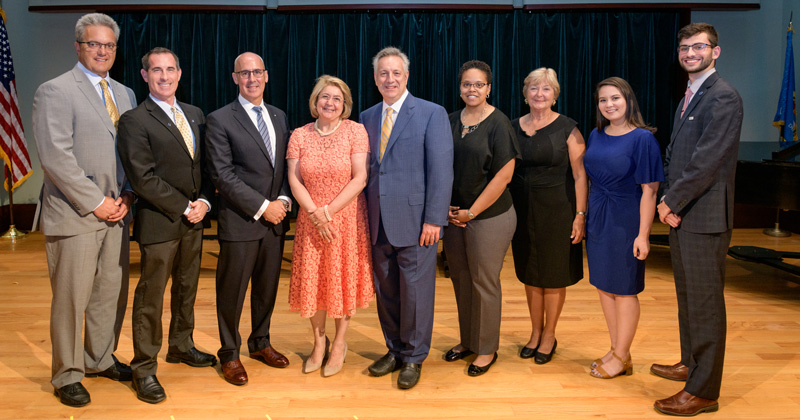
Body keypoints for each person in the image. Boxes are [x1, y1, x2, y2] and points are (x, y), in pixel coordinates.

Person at [31, 12, 136, 407]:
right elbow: (55, 158)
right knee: (71, 299)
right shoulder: (55, 91)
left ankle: (99, 358)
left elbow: (130, 153)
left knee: (108, 293)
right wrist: (97, 202)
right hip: (75, 214)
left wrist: (126, 195)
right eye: (94, 44)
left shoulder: (124, 93)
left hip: (117, 213)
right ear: (78, 47)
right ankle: (67, 374)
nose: (102, 51)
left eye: (109, 45)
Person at [652, 23, 742, 416]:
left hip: (702, 214)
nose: (690, 53)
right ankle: (691, 363)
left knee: (705, 303)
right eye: (685, 47)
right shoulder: (692, 93)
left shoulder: (723, 97)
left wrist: (671, 200)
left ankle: (703, 391)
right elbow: (681, 152)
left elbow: (707, 161)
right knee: (688, 298)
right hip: (683, 214)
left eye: (699, 47)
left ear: (715, 52)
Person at [117, 47, 216, 404]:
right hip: (160, 221)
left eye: (170, 69)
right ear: (144, 75)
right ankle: (144, 367)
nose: (164, 76)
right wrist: (184, 206)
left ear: (179, 73)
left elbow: (205, 166)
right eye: (156, 70)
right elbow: (142, 178)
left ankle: (181, 345)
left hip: (194, 219)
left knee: (187, 288)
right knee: (151, 297)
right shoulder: (134, 119)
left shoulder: (194, 114)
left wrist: (204, 201)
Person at [359, 46, 453, 389]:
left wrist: (434, 219)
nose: (390, 79)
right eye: (383, 73)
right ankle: (394, 349)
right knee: (386, 292)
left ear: (407, 76)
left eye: (396, 72)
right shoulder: (367, 117)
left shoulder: (431, 113)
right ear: (375, 78)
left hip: (417, 224)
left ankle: (414, 356)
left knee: (415, 293)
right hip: (377, 221)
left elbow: (441, 172)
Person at [205, 52, 293, 386]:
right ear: (235, 78)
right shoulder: (220, 119)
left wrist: (283, 200)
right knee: (232, 292)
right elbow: (223, 175)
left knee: (266, 288)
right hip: (242, 220)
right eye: (245, 73)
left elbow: (287, 165)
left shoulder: (279, 116)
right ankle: (229, 353)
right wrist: (262, 206)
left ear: (266, 76)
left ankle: (260, 343)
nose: (252, 78)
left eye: (257, 72)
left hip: (276, 221)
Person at [286, 75, 373, 377]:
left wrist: (328, 212)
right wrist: (313, 213)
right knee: (315, 281)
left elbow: (360, 178)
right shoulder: (299, 134)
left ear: (344, 104)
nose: (330, 103)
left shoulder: (356, 131)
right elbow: (294, 179)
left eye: (337, 98)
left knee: (341, 281)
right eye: (325, 97)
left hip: (345, 220)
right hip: (311, 220)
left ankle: (340, 343)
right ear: (315, 101)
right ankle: (318, 341)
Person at [583, 77, 664, 379]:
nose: (609, 104)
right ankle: (619, 350)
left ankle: (621, 355)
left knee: (625, 289)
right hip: (599, 219)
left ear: (628, 99)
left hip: (626, 220)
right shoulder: (596, 134)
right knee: (605, 286)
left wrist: (643, 234)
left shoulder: (643, 139)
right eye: (603, 100)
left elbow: (650, 191)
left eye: (615, 98)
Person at [442, 60, 518, 376]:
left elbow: (504, 176)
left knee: (483, 281)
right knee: (461, 280)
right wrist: (444, 207)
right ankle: (468, 340)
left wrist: (472, 211)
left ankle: (486, 348)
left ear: (488, 88)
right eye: (466, 84)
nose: (472, 89)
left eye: (478, 84)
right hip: (454, 216)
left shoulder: (499, 123)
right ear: (460, 87)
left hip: (489, 216)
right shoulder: (449, 120)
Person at [509, 68, 587, 365]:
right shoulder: (513, 126)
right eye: (533, 88)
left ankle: (550, 334)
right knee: (531, 273)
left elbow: (581, 177)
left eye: (546, 89)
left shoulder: (569, 128)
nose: (539, 94)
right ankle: (534, 331)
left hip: (559, 210)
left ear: (555, 94)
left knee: (553, 276)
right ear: (525, 93)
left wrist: (580, 215)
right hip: (523, 210)